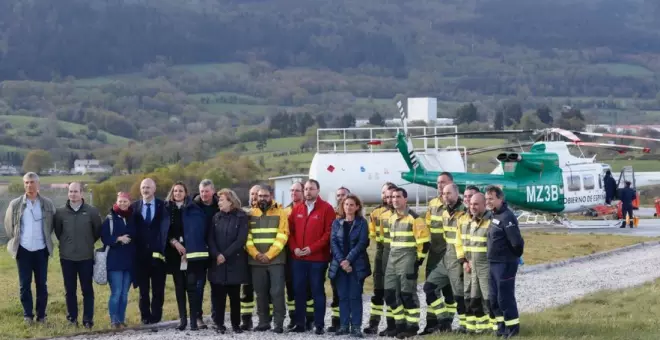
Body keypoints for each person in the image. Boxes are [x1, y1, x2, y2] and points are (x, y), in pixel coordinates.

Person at [4, 172, 56, 325]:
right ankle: (28, 315)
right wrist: (17, 240)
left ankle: (41, 316)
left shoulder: (47, 204)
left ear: (38, 184)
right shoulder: (15, 204)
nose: (29, 185)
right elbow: (9, 226)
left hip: (41, 250)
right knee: (24, 285)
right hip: (23, 250)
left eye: (32, 182)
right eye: (26, 182)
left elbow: (52, 224)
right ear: (24, 184)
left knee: (42, 284)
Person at [156, 182, 209, 331]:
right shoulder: (167, 209)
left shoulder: (194, 209)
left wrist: (188, 248)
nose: (177, 193)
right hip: (174, 253)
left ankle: (193, 320)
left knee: (192, 287)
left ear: (186, 193)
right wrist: (174, 243)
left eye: (180, 191)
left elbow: (199, 231)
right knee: (179, 287)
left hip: (191, 253)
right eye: (175, 191)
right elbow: (164, 231)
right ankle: (183, 320)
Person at [288, 179, 336, 334]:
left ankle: (319, 324)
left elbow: (328, 233)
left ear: (318, 190)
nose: (308, 192)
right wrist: (294, 248)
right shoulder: (297, 209)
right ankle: (300, 324)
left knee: (317, 291)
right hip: (298, 259)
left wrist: (311, 249)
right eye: (306, 189)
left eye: (311, 189)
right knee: (299, 291)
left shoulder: (327, 209)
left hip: (317, 259)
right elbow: (290, 232)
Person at [54, 182, 103, 328]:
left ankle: (88, 320)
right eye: (70, 191)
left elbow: (97, 232)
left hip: (86, 258)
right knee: (70, 291)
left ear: (82, 193)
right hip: (67, 258)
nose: (73, 194)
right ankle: (72, 319)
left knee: (87, 290)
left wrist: (86, 243)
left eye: (76, 191)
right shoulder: (60, 212)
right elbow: (58, 232)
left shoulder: (92, 212)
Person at [384, 187, 430, 338]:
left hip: (408, 259)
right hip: (393, 259)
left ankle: (411, 327)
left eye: (398, 197)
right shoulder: (391, 218)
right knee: (390, 294)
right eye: (393, 197)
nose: (395, 199)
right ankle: (399, 325)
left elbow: (424, 243)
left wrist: (418, 261)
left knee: (407, 294)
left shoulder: (414, 218)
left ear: (405, 199)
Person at [246, 185, 289, 333]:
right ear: (256, 197)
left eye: (265, 196)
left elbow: (283, 235)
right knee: (260, 293)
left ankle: (278, 323)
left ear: (271, 196)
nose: (262, 198)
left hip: (276, 260)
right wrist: (256, 254)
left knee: (276, 292)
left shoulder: (281, 212)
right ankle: (263, 322)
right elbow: (247, 237)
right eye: (260, 196)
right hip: (256, 261)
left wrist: (269, 254)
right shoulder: (250, 213)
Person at [207, 188, 249, 334]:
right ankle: (219, 324)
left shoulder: (241, 217)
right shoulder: (216, 217)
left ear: (230, 201)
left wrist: (225, 255)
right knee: (219, 297)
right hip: (217, 263)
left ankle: (236, 324)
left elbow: (240, 240)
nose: (219, 202)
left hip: (234, 263)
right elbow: (210, 239)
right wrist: (216, 254)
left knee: (234, 297)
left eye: (221, 200)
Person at [329, 194, 371, 338]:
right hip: (340, 266)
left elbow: (362, 243)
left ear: (357, 207)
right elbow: (333, 243)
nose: (348, 207)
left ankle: (356, 327)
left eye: (352, 204)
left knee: (355, 296)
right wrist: (342, 262)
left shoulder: (362, 223)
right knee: (343, 297)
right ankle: (344, 326)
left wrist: (348, 260)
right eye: (346, 204)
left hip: (356, 265)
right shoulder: (336, 223)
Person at [485, 185, 524, 338]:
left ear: (500, 199)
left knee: (505, 298)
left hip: (505, 264)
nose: (488, 201)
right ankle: (502, 328)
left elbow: (517, 243)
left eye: (491, 199)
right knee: (494, 299)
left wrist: (511, 258)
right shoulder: (493, 215)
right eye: (487, 198)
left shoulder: (507, 217)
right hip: (493, 263)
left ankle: (513, 330)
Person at [421, 172, 456, 334]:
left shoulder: (458, 207)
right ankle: (431, 324)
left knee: (450, 293)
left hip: (450, 255)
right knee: (430, 290)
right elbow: (427, 227)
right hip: (434, 254)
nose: (440, 185)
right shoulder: (433, 204)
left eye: (443, 182)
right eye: (438, 183)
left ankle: (447, 323)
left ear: (451, 183)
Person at [131, 178, 168, 325]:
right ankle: (145, 317)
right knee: (143, 291)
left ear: (154, 189)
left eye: (148, 187)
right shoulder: (134, 207)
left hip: (158, 256)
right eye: (143, 188)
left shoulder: (163, 206)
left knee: (158, 289)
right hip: (140, 257)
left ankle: (157, 316)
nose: (145, 190)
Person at [456, 191, 494, 334]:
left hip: (486, 266)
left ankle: (495, 329)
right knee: (474, 299)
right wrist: (465, 261)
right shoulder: (471, 221)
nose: (472, 206)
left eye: (476, 204)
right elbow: (462, 243)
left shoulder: (490, 222)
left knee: (489, 298)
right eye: (471, 204)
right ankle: (482, 328)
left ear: (485, 205)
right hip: (471, 266)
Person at [101, 192, 137, 329]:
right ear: (116, 202)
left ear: (129, 203)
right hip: (114, 262)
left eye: (125, 201)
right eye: (120, 201)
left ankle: (121, 320)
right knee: (116, 292)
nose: (122, 204)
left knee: (124, 294)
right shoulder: (110, 219)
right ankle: (114, 320)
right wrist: (118, 239)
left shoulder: (133, 218)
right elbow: (104, 237)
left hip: (129, 262)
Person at [363, 182, 395, 335]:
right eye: (384, 194)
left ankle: (392, 324)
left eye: (389, 195)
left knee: (392, 291)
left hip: (394, 252)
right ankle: (373, 323)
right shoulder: (375, 213)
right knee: (378, 290)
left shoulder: (401, 213)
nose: (386, 197)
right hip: (381, 252)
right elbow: (373, 235)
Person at [282, 182, 314, 330]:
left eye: (297, 190)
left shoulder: (308, 208)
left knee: (308, 288)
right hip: (289, 254)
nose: (294, 193)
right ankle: (293, 318)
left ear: (303, 192)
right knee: (291, 288)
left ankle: (309, 319)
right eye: (292, 190)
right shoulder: (285, 211)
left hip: (307, 254)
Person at [191, 179, 220, 329]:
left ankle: (216, 317)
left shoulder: (220, 205)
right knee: (199, 285)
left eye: (207, 191)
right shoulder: (194, 206)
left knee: (216, 285)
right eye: (202, 191)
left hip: (215, 250)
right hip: (199, 250)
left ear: (213, 191)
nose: (204, 194)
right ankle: (198, 317)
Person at [440, 182, 468, 333]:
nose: (446, 196)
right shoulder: (444, 212)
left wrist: (464, 259)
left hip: (459, 257)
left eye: (448, 193)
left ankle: (464, 325)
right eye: (444, 193)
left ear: (457, 194)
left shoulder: (465, 212)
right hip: (447, 257)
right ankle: (444, 322)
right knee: (429, 287)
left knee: (459, 293)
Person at [327, 186, 350, 332]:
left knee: (349, 292)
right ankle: (336, 322)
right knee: (335, 291)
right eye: (338, 195)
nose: (341, 197)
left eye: (343, 195)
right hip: (334, 258)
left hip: (350, 260)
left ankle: (347, 322)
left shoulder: (355, 215)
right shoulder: (332, 214)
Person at [240, 184, 262, 330]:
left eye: (256, 194)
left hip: (262, 256)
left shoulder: (267, 212)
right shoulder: (243, 212)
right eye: (252, 193)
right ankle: (246, 320)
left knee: (263, 290)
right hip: (246, 257)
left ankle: (265, 319)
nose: (253, 197)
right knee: (246, 290)